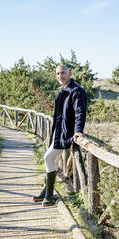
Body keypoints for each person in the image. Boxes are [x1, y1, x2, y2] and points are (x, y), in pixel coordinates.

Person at [33, 64, 87, 206]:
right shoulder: (61, 91)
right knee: (53, 160)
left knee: (48, 157)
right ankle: (46, 191)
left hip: (66, 133)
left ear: (70, 73)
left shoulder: (76, 91)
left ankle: (49, 195)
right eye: (57, 74)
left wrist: (78, 130)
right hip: (57, 132)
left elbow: (80, 113)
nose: (60, 76)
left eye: (62, 73)